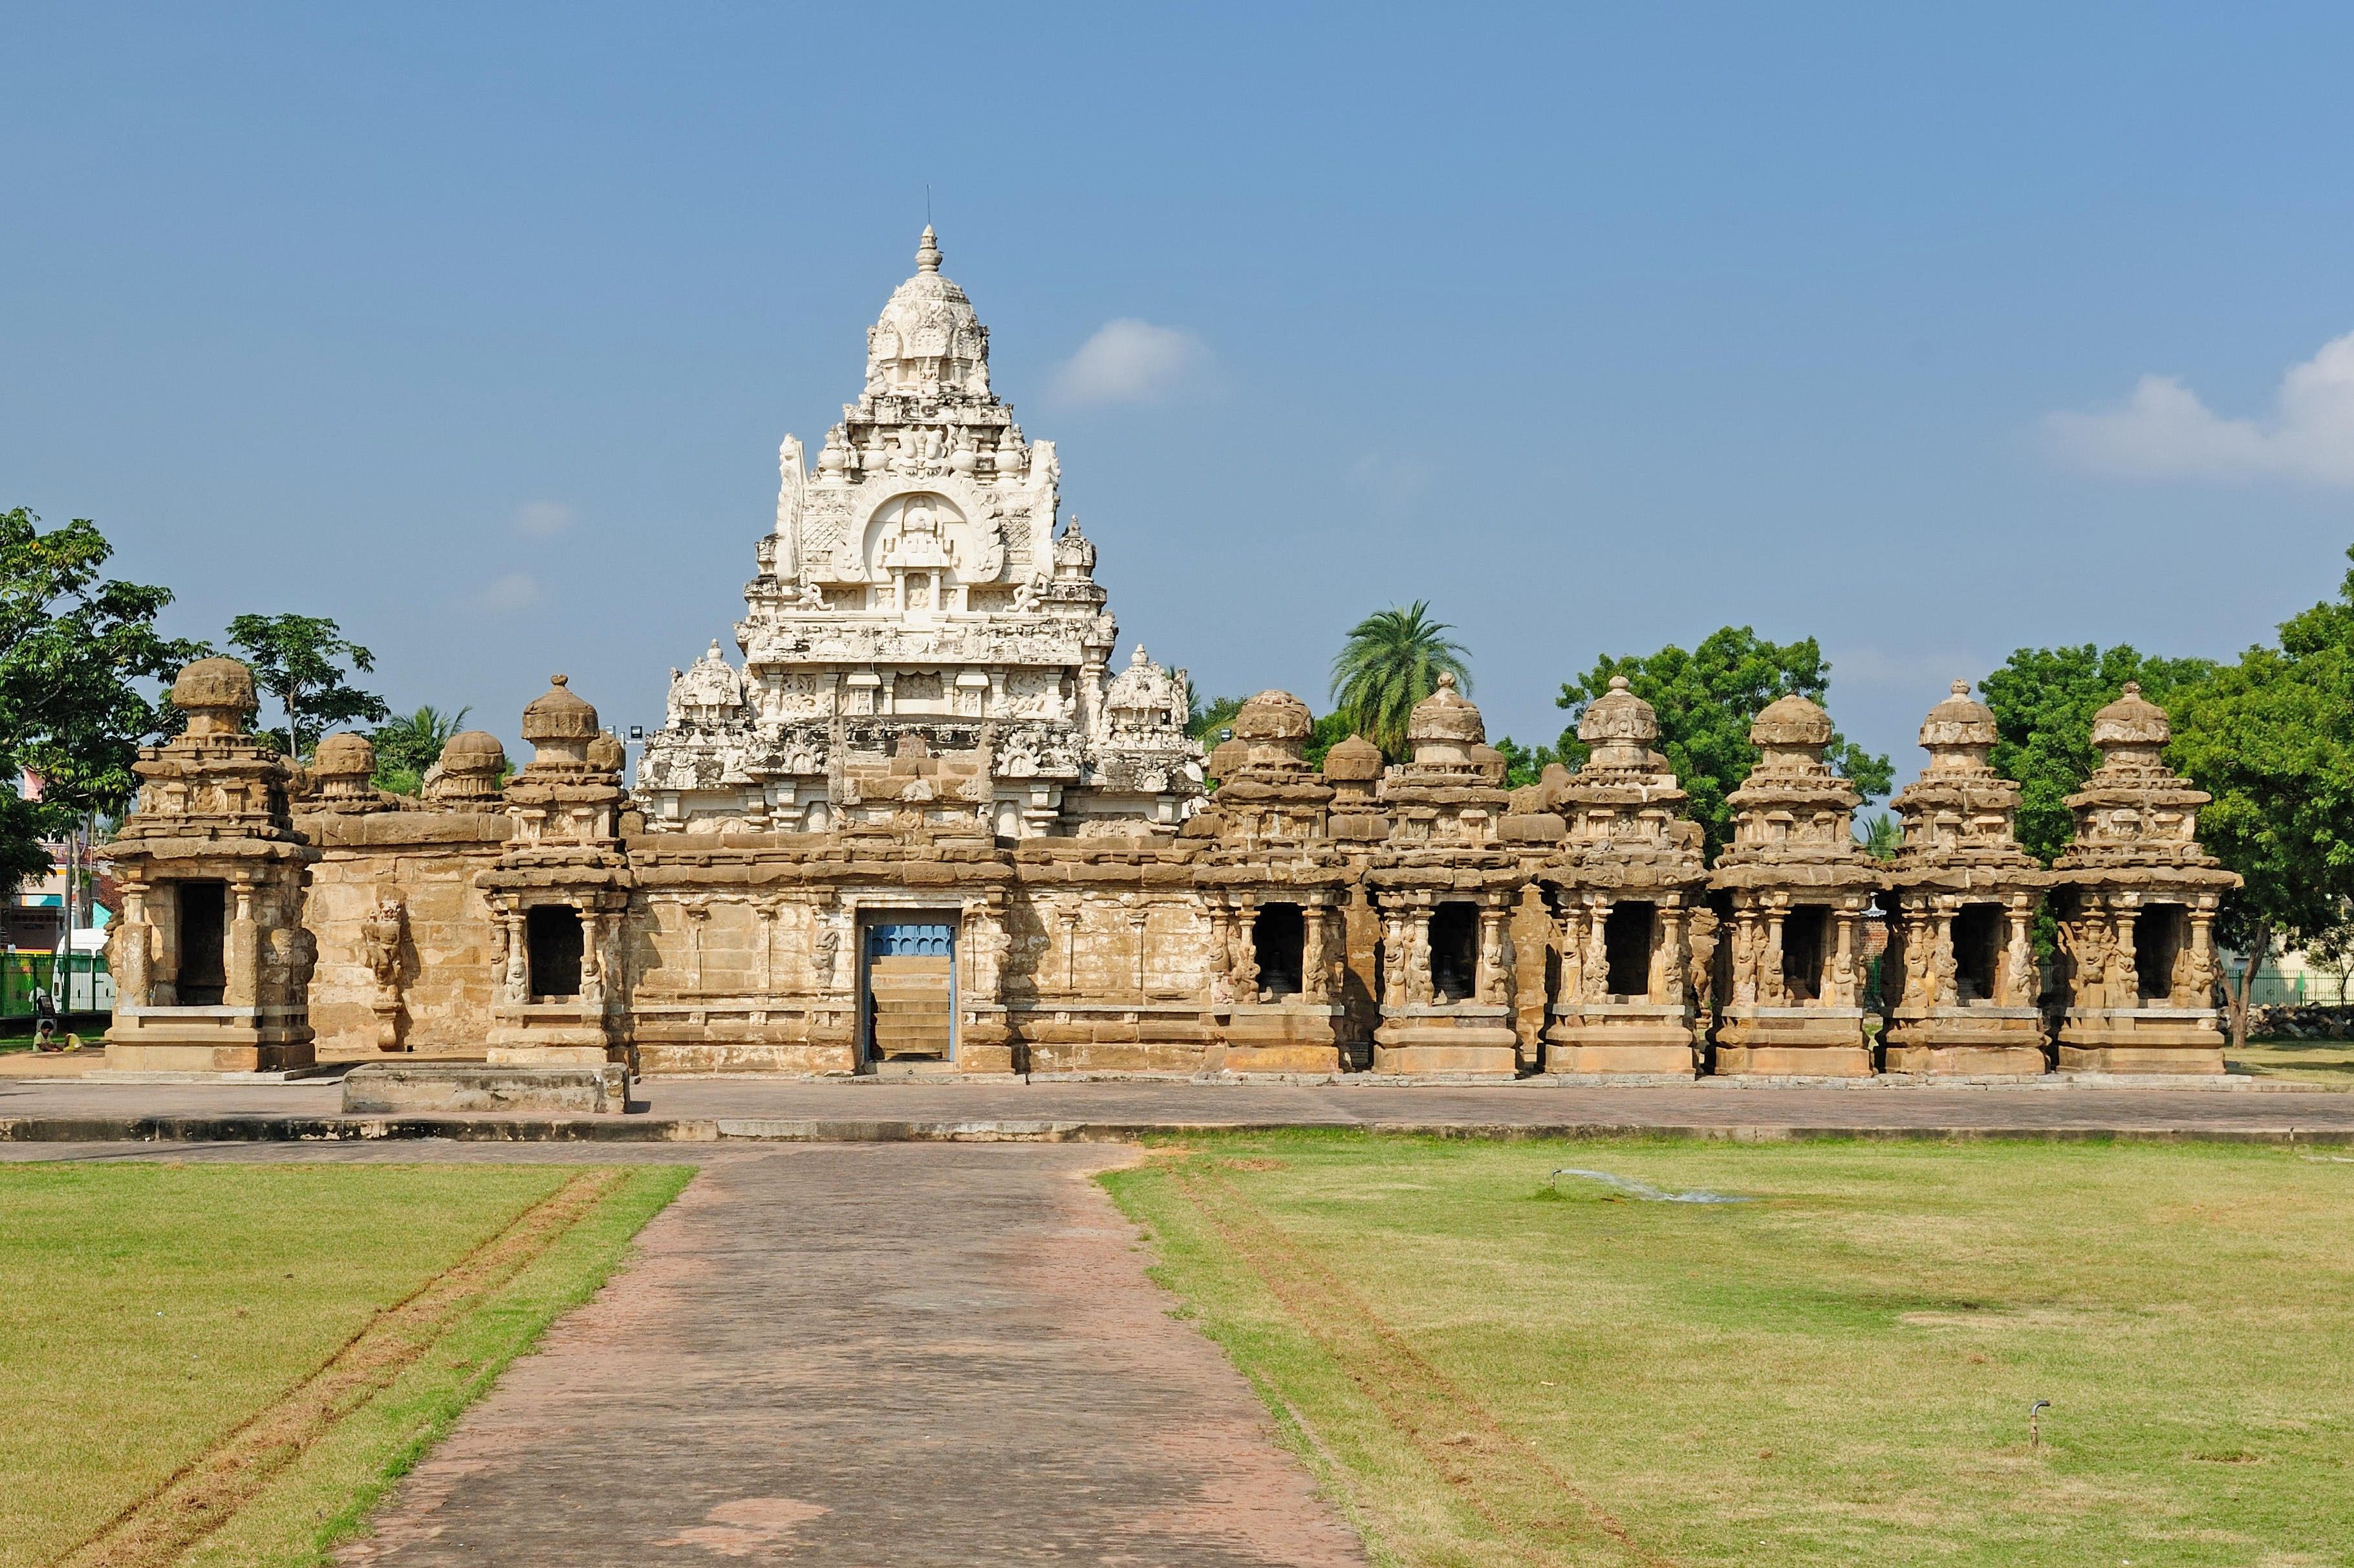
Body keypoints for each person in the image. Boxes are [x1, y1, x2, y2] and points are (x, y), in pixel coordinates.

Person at [32, 987, 59, 1051]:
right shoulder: (39, 1036)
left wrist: (53, 1045)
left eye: (49, 1031)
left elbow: (50, 1043)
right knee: (45, 1045)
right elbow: (42, 1046)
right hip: (39, 1052)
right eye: (47, 1031)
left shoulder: (47, 1036)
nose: (48, 1033)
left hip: (46, 1051)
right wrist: (52, 1049)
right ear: (42, 1029)